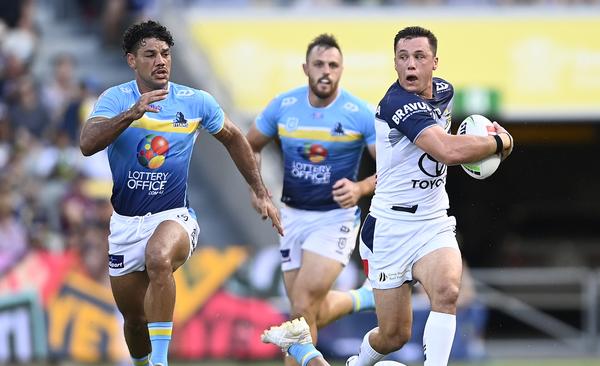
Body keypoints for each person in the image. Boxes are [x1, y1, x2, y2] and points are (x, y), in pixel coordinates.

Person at [79, 20, 282, 366]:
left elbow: (234, 137)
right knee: (134, 320)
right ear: (131, 60)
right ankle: (144, 362)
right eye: (150, 54)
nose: (161, 61)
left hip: (174, 216)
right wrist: (131, 114)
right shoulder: (115, 99)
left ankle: (160, 362)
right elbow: (87, 144)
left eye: (166, 54)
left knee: (159, 257)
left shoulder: (195, 101)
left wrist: (259, 190)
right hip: (126, 224)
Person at [347, 26, 513, 366]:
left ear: (434, 62)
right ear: (394, 63)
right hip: (390, 227)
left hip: (432, 220)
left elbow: (451, 141)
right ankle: (358, 363)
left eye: (419, 57)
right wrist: (500, 143)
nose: (410, 65)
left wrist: (480, 148)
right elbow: (447, 151)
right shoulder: (396, 103)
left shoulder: (444, 92)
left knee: (448, 292)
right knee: (394, 335)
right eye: (403, 58)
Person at [246, 33, 376, 363]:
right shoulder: (283, 105)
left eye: (333, 65)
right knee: (303, 314)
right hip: (291, 217)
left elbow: (391, 170)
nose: (326, 71)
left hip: (336, 219)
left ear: (342, 70)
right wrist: (257, 189)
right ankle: (363, 297)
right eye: (319, 64)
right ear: (306, 68)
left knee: (302, 304)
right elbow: (250, 147)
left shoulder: (359, 113)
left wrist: (360, 188)